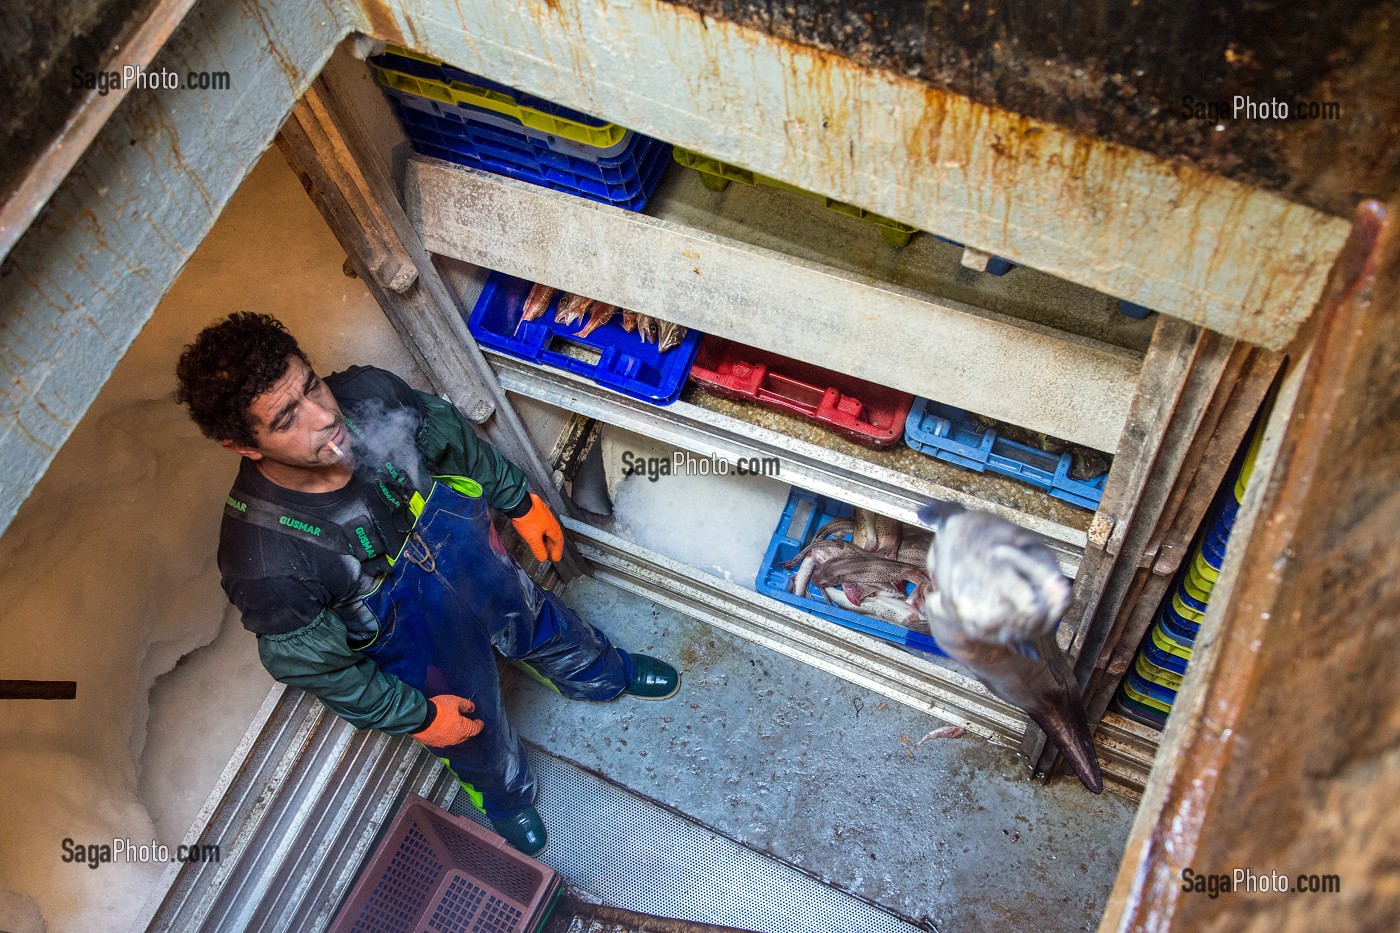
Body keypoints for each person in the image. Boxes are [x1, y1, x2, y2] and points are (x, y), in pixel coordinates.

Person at [175, 312, 679, 856]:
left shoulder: (371, 394)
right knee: (470, 723)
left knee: (537, 618)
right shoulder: (264, 558)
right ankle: (504, 798)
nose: (325, 417)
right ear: (243, 446)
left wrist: (517, 499)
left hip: (475, 564)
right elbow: (322, 669)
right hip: (418, 642)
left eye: (312, 384)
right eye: (287, 418)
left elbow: (452, 439)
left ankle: (602, 673)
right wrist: (416, 717)